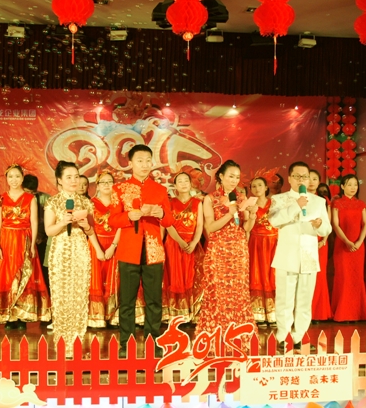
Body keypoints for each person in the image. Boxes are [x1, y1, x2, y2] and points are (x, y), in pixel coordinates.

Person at [108, 144, 174, 357]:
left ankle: (153, 341)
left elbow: (170, 220)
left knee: (154, 300)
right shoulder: (120, 189)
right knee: (127, 300)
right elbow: (112, 220)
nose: (144, 165)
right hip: (129, 250)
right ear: (130, 163)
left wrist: (160, 213)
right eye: (140, 161)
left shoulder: (160, 189)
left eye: (148, 161)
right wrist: (128, 216)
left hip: (153, 251)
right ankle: (125, 343)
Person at [268, 162, 332, 351]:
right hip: (287, 256)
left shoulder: (319, 202)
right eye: (297, 176)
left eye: (305, 177)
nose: (301, 180)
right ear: (290, 178)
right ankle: (283, 336)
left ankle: (300, 336)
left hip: (309, 257)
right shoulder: (279, 199)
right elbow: (274, 221)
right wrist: (296, 206)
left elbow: (327, 228)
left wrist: (320, 225)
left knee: (305, 300)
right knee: (285, 299)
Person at [45, 161, 105, 358]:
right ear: (59, 180)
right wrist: (63, 222)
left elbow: (91, 230)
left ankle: (77, 342)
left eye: (76, 176)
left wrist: (87, 229)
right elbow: (49, 231)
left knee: (79, 296)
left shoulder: (86, 203)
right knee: (61, 297)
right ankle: (63, 343)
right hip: (60, 252)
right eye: (69, 177)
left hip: (80, 250)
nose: (74, 181)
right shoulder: (53, 202)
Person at [197, 160, 256, 348]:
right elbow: (211, 227)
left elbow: (246, 228)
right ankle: (216, 339)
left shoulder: (241, 198)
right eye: (231, 176)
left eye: (237, 177)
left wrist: (252, 215)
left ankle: (239, 338)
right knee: (218, 294)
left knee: (238, 294)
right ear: (221, 176)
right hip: (219, 250)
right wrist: (230, 214)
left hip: (238, 250)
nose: (234, 180)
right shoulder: (210, 199)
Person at [0, 164, 51, 330]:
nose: (14, 180)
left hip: (24, 239)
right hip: (6, 240)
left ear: (22, 178)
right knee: (8, 275)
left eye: (17, 176)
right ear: (6, 179)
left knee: (25, 274)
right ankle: (9, 315)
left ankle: (22, 316)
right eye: (10, 176)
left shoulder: (30, 198)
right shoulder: (0, 198)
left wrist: (32, 244)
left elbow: (34, 222)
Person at [162, 171, 204, 324]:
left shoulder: (198, 203)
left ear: (191, 184)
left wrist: (194, 242)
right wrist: (180, 241)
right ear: (175, 186)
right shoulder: (169, 202)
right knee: (174, 277)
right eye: (180, 181)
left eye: (186, 180)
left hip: (192, 243)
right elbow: (168, 225)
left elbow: (199, 225)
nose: (184, 183)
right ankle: (175, 314)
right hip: (174, 243)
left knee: (191, 276)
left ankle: (191, 313)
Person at [330, 175, 366, 322]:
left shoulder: (361, 204)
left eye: (355, 185)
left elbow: (365, 224)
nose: (353, 188)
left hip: (358, 247)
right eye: (349, 184)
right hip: (342, 245)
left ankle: (357, 313)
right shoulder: (337, 203)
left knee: (356, 278)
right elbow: (335, 225)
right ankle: (342, 313)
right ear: (342, 186)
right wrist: (346, 241)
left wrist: (359, 241)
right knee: (344, 278)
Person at [88, 171, 122, 328]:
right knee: (96, 280)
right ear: (98, 185)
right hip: (96, 243)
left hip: (115, 244)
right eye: (103, 182)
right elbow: (89, 229)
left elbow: (122, 226)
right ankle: (97, 317)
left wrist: (113, 246)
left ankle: (113, 316)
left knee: (114, 279)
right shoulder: (91, 203)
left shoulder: (119, 203)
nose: (107, 185)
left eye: (110, 182)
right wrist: (98, 249)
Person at [247, 176, 278, 326]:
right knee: (257, 274)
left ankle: (273, 314)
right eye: (253, 186)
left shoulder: (275, 203)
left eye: (260, 185)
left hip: (273, 243)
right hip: (256, 243)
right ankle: (258, 313)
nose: (257, 188)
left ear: (266, 187)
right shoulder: (249, 204)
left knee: (272, 276)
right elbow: (246, 227)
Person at [308, 173, 332, 321]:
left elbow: (327, 222)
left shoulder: (322, 201)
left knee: (319, 276)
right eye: (309, 178)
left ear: (319, 183)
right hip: (305, 241)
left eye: (315, 179)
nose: (311, 182)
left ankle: (318, 313)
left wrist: (324, 240)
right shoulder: (298, 199)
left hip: (321, 241)